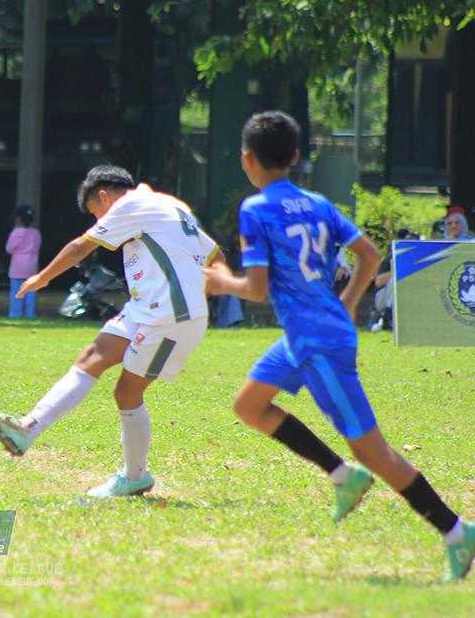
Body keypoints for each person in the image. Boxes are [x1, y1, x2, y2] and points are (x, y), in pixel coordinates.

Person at [203, 110, 474, 581]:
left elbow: (258, 289)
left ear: (247, 158)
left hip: (318, 344)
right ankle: (342, 475)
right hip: (307, 335)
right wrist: (347, 305)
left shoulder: (256, 209)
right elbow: (369, 255)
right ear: (293, 157)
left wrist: (222, 281)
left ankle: (456, 532)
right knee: (250, 404)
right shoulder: (317, 202)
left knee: (373, 450)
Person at [0, 165, 221, 497]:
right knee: (92, 357)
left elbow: (81, 247)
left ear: (104, 196)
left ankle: (135, 476)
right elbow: (215, 256)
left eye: (96, 212)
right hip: (146, 307)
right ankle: (26, 430)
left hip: (168, 315)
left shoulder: (129, 205)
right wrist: (201, 291)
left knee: (126, 393)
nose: (100, 221)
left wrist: (42, 279)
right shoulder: (171, 205)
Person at [5, 204, 42, 318]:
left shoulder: (16, 233)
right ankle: (30, 314)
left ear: (18, 218)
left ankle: (15, 314)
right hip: (31, 265)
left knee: (16, 291)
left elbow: (9, 249)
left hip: (17, 266)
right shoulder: (36, 233)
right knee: (31, 292)